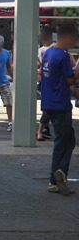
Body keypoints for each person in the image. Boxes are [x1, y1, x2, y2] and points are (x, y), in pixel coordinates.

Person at [41, 24, 79, 196]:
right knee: (62, 142)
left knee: (68, 140)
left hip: (49, 102)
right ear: (68, 37)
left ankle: (59, 175)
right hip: (60, 104)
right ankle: (55, 178)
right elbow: (70, 80)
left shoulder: (48, 53)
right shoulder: (62, 56)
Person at [37, 27, 54, 141]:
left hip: (53, 81)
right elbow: (39, 64)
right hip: (44, 80)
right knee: (47, 107)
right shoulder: (40, 50)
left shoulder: (55, 48)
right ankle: (42, 129)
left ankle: (42, 129)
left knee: (48, 107)